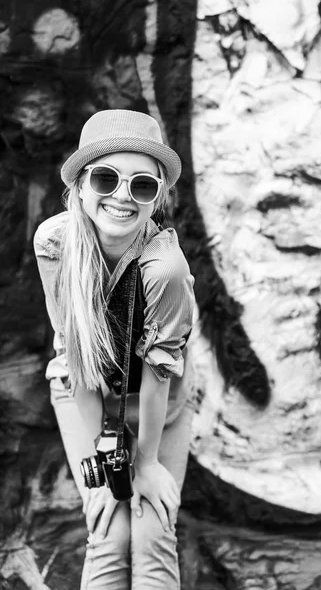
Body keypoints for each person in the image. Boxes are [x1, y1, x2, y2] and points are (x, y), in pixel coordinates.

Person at [33, 109, 196, 590]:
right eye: (106, 178)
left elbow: (159, 374)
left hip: (158, 402)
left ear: (158, 197)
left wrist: (143, 464)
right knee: (107, 530)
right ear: (81, 186)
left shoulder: (163, 269)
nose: (122, 196)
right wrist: (104, 456)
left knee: (152, 528)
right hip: (82, 386)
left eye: (142, 185)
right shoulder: (56, 244)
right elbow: (74, 354)